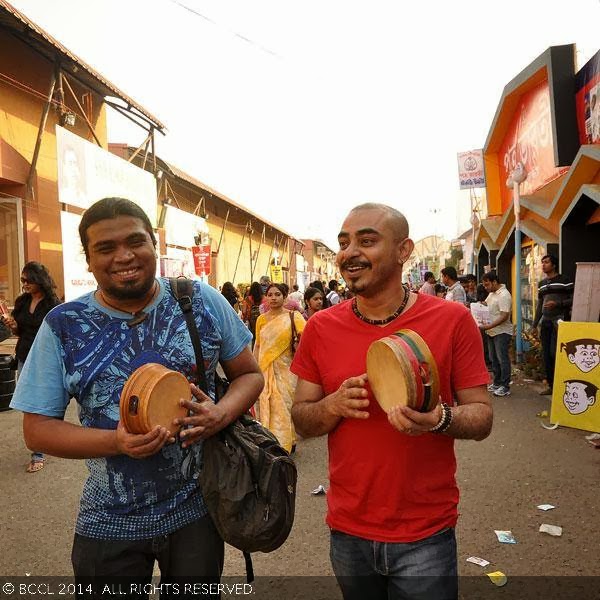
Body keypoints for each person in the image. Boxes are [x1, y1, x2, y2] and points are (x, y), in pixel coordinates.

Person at [9, 197, 263, 592]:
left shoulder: (199, 301)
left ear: (154, 245)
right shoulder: (64, 325)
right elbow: (37, 430)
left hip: (197, 511)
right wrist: (117, 442)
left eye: (135, 241)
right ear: (88, 260)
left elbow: (249, 374)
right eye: (105, 248)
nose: (124, 256)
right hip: (108, 519)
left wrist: (221, 413)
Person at [291, 203, 492, 600]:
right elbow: (301, 419)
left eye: (367, 241)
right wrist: (333, 406)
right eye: (344, 242)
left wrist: (438, 418)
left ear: (404, 251)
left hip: (425, 534)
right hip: (348, 531)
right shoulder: (321, 327)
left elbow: (482, 416)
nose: (350, 252)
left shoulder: (452, 320)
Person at [1, 261, 61, 473]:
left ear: (39, 279)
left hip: (45, 358)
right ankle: (40, 444)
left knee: (40, 402)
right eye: (22, 280)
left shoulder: (53, 304)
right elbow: (19, 331)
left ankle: (39, 451)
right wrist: (13, 326)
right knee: (29, 403)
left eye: (28, 280)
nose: (24, 284)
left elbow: (58, 335)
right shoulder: (22, 301)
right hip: (25, 354)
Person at [253, 283, 306, 453]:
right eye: (270, 295)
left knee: (285, 405)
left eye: (277, 294)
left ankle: (289, 440)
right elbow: (258, 346)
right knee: (269, 404)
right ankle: (274, 442)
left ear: (285, 297)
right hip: (265, 368)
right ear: (266, 298)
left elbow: (306, 341)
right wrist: (254, 369)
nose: (273, 298)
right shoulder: (261, 319)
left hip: (287, 369)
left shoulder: (294, 317)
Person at [531, 255, 574, 396]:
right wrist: (534, 324)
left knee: (555, 354)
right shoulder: (542, 284)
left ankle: (562, 386)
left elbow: (574, 299)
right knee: (546, 356)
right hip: (546, 322)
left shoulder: (565, 280)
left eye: (546, 262)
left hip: (560, 322)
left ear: (554, 265)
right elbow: (539, 305)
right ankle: (551, 386)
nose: (543, 265)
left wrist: (558, 304)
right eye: (542, 262)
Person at [481, 271, 513, 397]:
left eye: (487, 284)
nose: (486, 287)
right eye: (484, 285)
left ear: (494, 282)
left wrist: (489, 326)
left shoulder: (504, 295)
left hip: (502, 332)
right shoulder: (492, 294)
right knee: (494, 359)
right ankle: (497, 382)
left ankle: (505, 386)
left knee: (502, 359)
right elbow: (486, 305)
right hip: (492, 331)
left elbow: (504, 315)